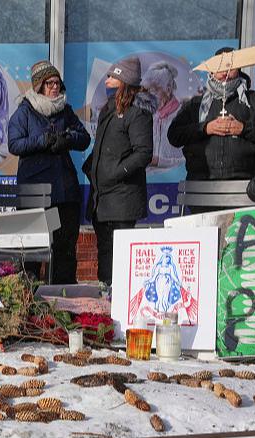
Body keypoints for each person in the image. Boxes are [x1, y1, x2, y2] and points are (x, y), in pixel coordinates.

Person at [7, 60, 91, 285]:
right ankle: (30, 295)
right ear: (39, 86)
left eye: (57, 83)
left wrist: (68, 138)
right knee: (32, 250)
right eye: (49, 83)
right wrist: (42, 140)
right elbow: (14, 144)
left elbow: (84, 138)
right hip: (35, 193)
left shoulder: (65, 110)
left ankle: (63, 295)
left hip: (65, 191)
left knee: (64, 248)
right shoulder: (24, 111)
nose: (55, 87)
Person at [82, 56, 154, 286]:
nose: (107, 80)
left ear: (124, 81)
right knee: (104, 249)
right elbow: (104, 146)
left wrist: (116, 172)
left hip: (123, 198)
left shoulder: (138, 112)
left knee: (119, 253)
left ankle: (118, 295)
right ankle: (106, 293)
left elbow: (143, 153)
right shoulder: (109, 108)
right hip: (101, 197)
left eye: (112, 76)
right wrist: (91, 167)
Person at [168, 46, 255, 211]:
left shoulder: (253, 100)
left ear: (239, 69)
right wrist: (205, 128)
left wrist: (243, 128)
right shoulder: (196, 104)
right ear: (211, 71)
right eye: (220, 67)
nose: (225, 72)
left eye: (230, 67)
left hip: (246, 189)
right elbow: (174, 135)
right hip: (201, 188)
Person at [141, 62, 183, 169]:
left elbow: (188, 159)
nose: (148, 96)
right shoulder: (148, 116)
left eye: (153, 90)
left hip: (175, 177)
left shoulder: (183, 116)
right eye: (146, 90)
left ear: (168, 90)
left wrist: (159, 161)